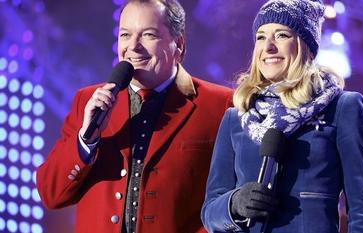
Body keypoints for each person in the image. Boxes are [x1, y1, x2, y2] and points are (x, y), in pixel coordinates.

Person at [36, 0, 232, 232]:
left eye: (148, 35)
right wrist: (85, 140)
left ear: (178, 45)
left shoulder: (220, 105)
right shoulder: (88, 101)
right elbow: (51, 193)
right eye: (125, 35)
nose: (133, 46)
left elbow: (228, 200)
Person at [201, 0, 363, 232]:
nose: (268, 47)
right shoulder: (236, 117)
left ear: (305, 44)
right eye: (260, 37)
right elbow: (209, 212)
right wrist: (233, 203)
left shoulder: (343, 107)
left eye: (282, 35)